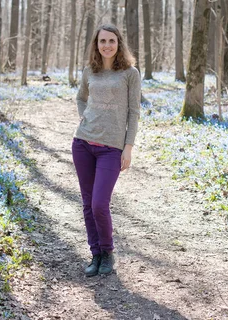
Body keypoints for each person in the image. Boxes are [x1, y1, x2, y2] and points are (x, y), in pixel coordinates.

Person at [72, 24, 140, 277]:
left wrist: (128, 148)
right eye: (102, 41)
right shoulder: (90, 70)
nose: (106, 45)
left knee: (100, 203)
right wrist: (84, 117)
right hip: (83, 144)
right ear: (96, 44)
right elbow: (80, 98)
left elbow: (134, 112)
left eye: (111, 41)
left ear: (118, 44)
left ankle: (108, 252)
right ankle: (96, 255)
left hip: (111, 148)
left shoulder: (130, 73)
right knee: (88, 204)